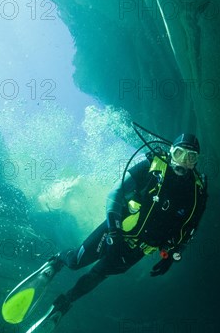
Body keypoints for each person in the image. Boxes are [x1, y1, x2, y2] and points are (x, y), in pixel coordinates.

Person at [47, 133, 208, 317]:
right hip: (117, 231)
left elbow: (189, 230)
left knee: (98, 275)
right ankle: (58, 260)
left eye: (191, 157)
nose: (183, 162)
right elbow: (115, 193)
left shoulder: (197, 193)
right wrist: (114, 230)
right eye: (179, 153)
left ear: (196, 161)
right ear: (171, 151)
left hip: (139, 249)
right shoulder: (152, 166)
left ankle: (65, 303)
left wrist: (172, 256)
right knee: (76, 262)